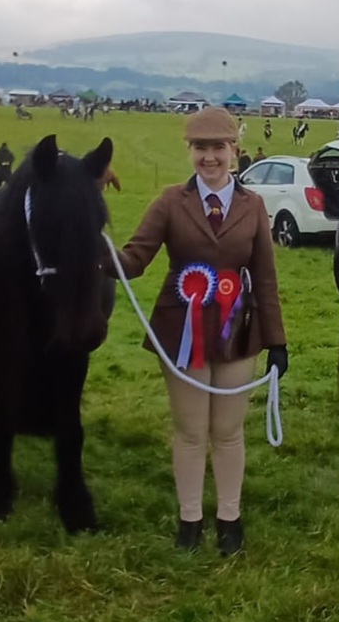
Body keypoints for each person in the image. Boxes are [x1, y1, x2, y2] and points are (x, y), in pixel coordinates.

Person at [110, 107, 288, 556]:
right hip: (180, 330)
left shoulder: (254, 205)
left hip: (237, 331)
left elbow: (265, 277)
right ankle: (190, 518)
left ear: (234, 151)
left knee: (228, 430)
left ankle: (230, 516)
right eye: (200, 148)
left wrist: (277, 341)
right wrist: (96, 247)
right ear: (190, 151)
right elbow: (135, 259)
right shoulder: (171, 202)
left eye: (218, 148)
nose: (209, 158)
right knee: (190, 431)